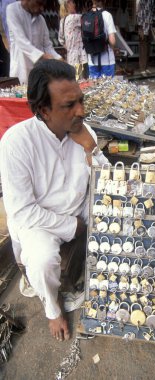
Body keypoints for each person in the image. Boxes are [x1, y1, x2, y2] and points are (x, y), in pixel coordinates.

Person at [0, 59, 108, 341]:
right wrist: (73, 227)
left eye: (81, 101)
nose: (81, 111)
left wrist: (90, 148)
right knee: (43, 259)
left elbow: (108, 184)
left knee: (119, 217)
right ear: (43, 110)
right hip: (40, 223)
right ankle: (52, 309)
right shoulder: (16, 142)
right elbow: (22, 212)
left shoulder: (85, 133)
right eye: (69, 105)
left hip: (78, 208)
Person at [6, 0, 62, 84]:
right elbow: (21, 41)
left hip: (38, 72)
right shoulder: (12, 10)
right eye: (39, 3)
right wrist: (44, 57)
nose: (42, 8)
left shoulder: (41, 19)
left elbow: (47, 46)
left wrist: (59, 59)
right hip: (20, 69)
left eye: (43, 5)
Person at [86, 0, 116, 79]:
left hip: (92, 60)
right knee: (108, 89)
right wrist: (114, 48)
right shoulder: (107, 15)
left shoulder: (86, 15)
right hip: (107, 60)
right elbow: (112, 41)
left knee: (95, 89)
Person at [58, 0, 88, 79]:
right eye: (73, 2)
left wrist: (70, 47)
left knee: (74, 80)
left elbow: (61, 39)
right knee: (82, 81)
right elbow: (88, 21)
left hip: (70, 57)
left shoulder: (62, 21)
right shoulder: (75, 17)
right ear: (68, 3)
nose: (75, 4)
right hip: (79, 57)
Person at [136, 0, 155, 76]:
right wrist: (140, 28)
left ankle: (146, 67)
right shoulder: (142, 1)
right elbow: (139, 15)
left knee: (148, 48)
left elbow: (153, 14)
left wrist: (152, 24)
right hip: (143, 27)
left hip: (149, 26)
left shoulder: (152, 1)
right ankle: (142, 69)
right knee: (143, 48)